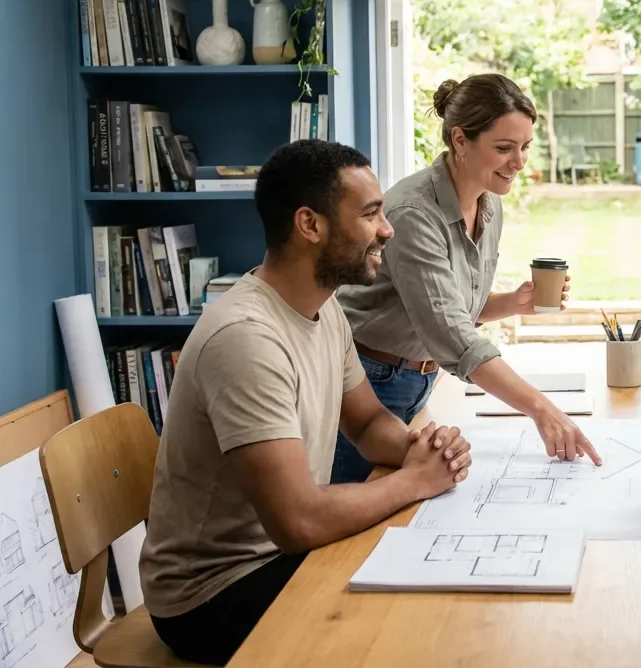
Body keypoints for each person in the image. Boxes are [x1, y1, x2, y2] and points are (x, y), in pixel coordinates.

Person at [139, 140, 473, 666]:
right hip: (212, 595)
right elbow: (297, 520)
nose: (387, 229)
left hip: (276, 556)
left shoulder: (323, 308)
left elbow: (364, 421)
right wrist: (416, 480)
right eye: (369, 214)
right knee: (412, 621)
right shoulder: (246, 338)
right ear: (309, 225)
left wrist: (418, 447)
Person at [335, 73, 601, 483]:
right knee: (351, 526)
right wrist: (542, 409)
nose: (519, 161)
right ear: (460, 140)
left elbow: (449, 306)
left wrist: (514, 303)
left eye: (525, 147)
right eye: (503, 148)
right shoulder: (413, 214)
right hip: (367, 383)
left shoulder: (488, 202)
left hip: (419, 378)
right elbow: (451, 333)